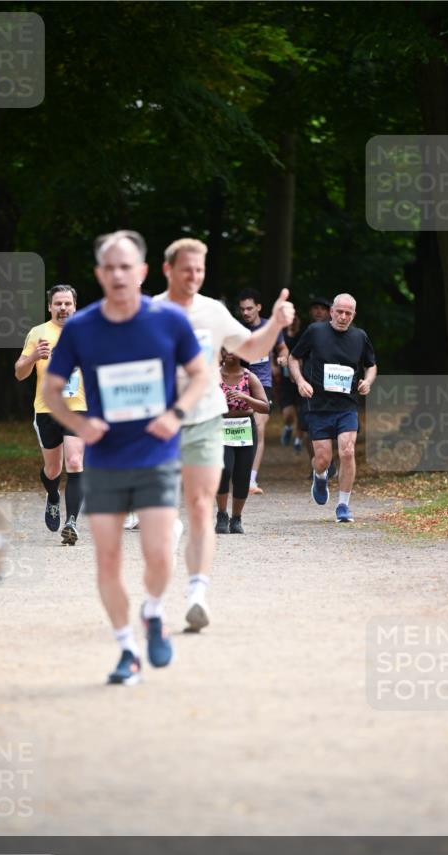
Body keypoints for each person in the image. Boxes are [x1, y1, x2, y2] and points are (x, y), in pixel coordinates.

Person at [43, 230, 208, 686]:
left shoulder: (168, 321)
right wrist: (78, 425)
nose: (118, 275)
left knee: (158, 553)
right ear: (100, 274)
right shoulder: (81, 328)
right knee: (108, 560)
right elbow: (51, 390)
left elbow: (200, 375)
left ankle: (152, 611)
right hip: (105, 460)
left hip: (156, 454)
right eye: (110, 267)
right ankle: (127, 649)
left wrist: (175, 414)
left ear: (142, 271)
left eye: (126, 266)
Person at [156, 238, 294, 630]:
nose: (194, 276)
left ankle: (197, 595)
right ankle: (162, 572)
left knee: (201, 505)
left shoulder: (213, 312)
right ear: (168, 270)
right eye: (187, 269)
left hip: (205, 420)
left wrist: (276, 325)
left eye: (200, 270)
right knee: (161, 512)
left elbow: (250, 346)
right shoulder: (151, 312)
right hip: (161, 423)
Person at [288, 293, 377, 522]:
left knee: (347, 452)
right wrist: (300, 381)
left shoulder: (359, 337)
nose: (343, 317)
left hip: (347, 405)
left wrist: (367, 381)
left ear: (353, 315)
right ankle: (320, 475)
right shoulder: (315, 331)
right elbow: (293, 358)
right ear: (332, 312)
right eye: (339, 312)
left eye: (348, 313)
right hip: (318, 405)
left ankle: (343, 506)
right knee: (323, 459)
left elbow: (371, 365)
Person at [15, 284, 85, 544]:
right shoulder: (38, 333)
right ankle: (53, 495)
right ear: (50, 307)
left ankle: (71, 523)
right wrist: (33, 356)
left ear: (75, 306)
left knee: (75, 461)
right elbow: (19, 373)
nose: (63, 308)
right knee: (53, 469)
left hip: (78, 407)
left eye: (68, 303)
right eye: (58, 303)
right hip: (47, 408)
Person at [216, 349, 270, 534]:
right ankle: (222, 514)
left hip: (244, 427)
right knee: (224, 469)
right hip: (221, 427)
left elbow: (265, 407)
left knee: (242, 474)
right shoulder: (213, 376)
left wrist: (245, 398)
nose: (229, 352)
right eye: (225, 349)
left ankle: (236, 518)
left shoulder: (249, 377)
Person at [237, 288, 285, 495]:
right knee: (238, 428)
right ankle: (236, 471)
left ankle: (251, 479)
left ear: (258, 307)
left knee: (258, 427)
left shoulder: (269, 327)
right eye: (242, 309)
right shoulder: (236, 328)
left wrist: (283, 357)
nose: (246, 312)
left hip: (263, 384)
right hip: (239, 383)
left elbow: (282, 348)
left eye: (249, 308)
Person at [277, 314, 303, 452]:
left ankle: (298, 441)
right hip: (285, 380)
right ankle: (288, 427)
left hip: (301, 379)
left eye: (295, 320)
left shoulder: (303, 335)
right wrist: (275, 365)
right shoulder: (281, 335)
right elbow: (274, 353)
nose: (292, 322)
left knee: (301, 412)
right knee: (288, 413)